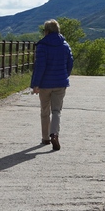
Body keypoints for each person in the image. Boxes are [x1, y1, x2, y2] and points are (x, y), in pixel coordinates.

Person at [31, 19, 74, 151]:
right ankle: (54, 134)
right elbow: (70, 63)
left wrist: (35, 84)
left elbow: (40, 67)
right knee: (56, 111)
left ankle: (45, 138)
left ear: (47, 31)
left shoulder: (42, 46)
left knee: (45, 111)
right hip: (60, 83)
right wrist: (64, 75)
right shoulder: (65, 45)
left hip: (45, 84)